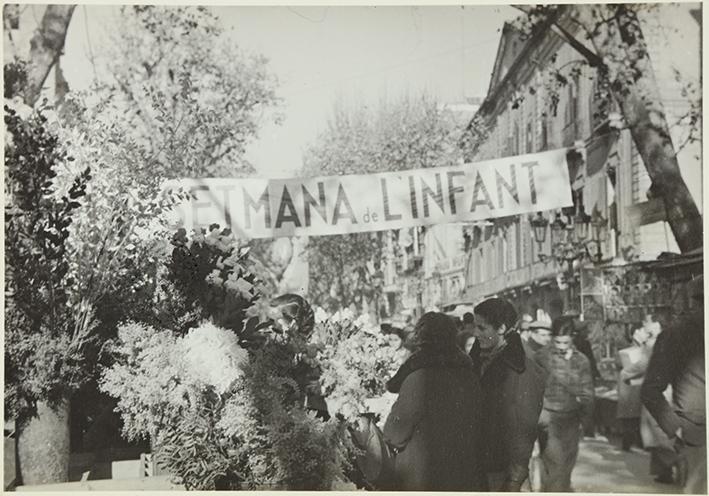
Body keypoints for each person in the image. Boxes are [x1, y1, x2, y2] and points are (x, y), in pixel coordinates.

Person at [383, 312, 486, 491]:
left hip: (424, 478)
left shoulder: (418, 378)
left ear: (422, 340)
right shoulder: (470, 376)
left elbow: (394, 435)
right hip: (464, 475)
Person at [469, 298, 546, 491]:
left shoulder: (520, 370)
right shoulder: (478, 360)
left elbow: (524, 427)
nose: (475, 333)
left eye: (482, 328)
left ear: (502, 328)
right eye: (475, 327)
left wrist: (515, 477)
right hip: (479, 464)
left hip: (502, 470)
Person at [641, 276, 706, 494]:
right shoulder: (679, 334)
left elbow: (650, 390)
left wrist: (675, 428)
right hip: (697, 434)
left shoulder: (673, 334)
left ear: (691, 301)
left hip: (694, 432)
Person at [534, 316, 594, 492]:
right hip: (548, 419)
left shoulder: (581, 360)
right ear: (552, 338)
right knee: (557, 465)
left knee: (567, 465)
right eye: (557, 342)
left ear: (573, 338)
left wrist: (586, 421)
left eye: (565, 342)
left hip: (571, 420)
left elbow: (587, 393)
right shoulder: (541, 357)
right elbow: (532, 390)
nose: (561, 346)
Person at [616, 324, 650, 451]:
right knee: (633, 416)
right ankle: (633, 442)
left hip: (631, 388)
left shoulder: (632, 351)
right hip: (632, 387)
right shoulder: (633, 352)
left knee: (632, 416)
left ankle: (633, 442)